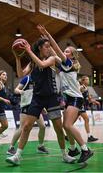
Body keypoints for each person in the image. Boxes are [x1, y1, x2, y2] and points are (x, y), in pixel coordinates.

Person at [6, 34, 76, 165]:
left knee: (58, 128)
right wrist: (17, 58)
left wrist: (29, 51)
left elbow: (43, 65)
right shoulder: (33, 62)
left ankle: (64, 154)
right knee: (26, 126)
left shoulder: (52, 58)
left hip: (51, 98)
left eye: (50, 46)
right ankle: (17, 155)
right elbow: (21, 74)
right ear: (40, 48)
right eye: (46, 46)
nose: (49, 49)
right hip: (37, 99)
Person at [37, 25, 93, 163]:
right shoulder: (63, 65)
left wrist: (47, 34)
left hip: (75, 98)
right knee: (65, 126)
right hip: (68, 99)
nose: (64, 52)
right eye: (65, 51)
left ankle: (86, 150)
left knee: (67, 125)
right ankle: (73, 149)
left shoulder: (69, 63)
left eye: (67, 51)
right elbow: (52, 52)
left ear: (72, 56)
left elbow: (55, 49)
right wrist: (44, 44)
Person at [7, 74, 49, 155]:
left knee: (43, 126)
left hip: (36, 106)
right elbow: (16, 89)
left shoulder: (40, 80)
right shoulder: (27, 78)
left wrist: (42, 107)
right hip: (26, 105)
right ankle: (10, 147)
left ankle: (40, 146)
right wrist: (19, 91)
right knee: (22, 128)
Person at [79, 76, 99, 142]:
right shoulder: (81, 87)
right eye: (87, 79)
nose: (88, 81)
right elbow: (78, 95)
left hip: (81, 106)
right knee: (86, 119)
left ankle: (67, 135)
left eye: (88, 79)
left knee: (70, 122)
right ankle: (89, 137)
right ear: (83, 81)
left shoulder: (86, 88)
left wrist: (95, 101)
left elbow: (89, 99)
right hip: (79, 106)